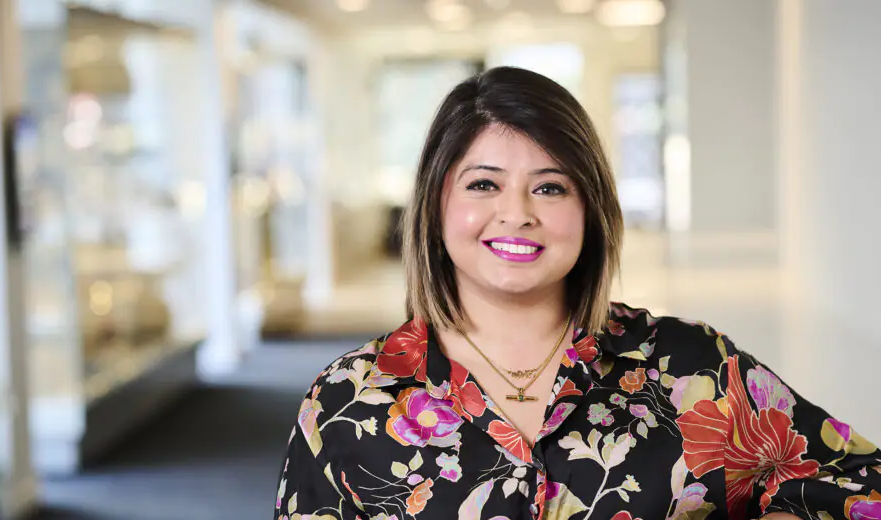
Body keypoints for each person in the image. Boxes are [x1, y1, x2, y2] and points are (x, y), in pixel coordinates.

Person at [273, 66, 880, 520]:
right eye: (483, 184)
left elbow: (862, 486)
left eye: (550, 189)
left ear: (590, 210)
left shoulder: (692, 369)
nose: (515, 215)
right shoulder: (349, 403)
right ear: (435, 206)